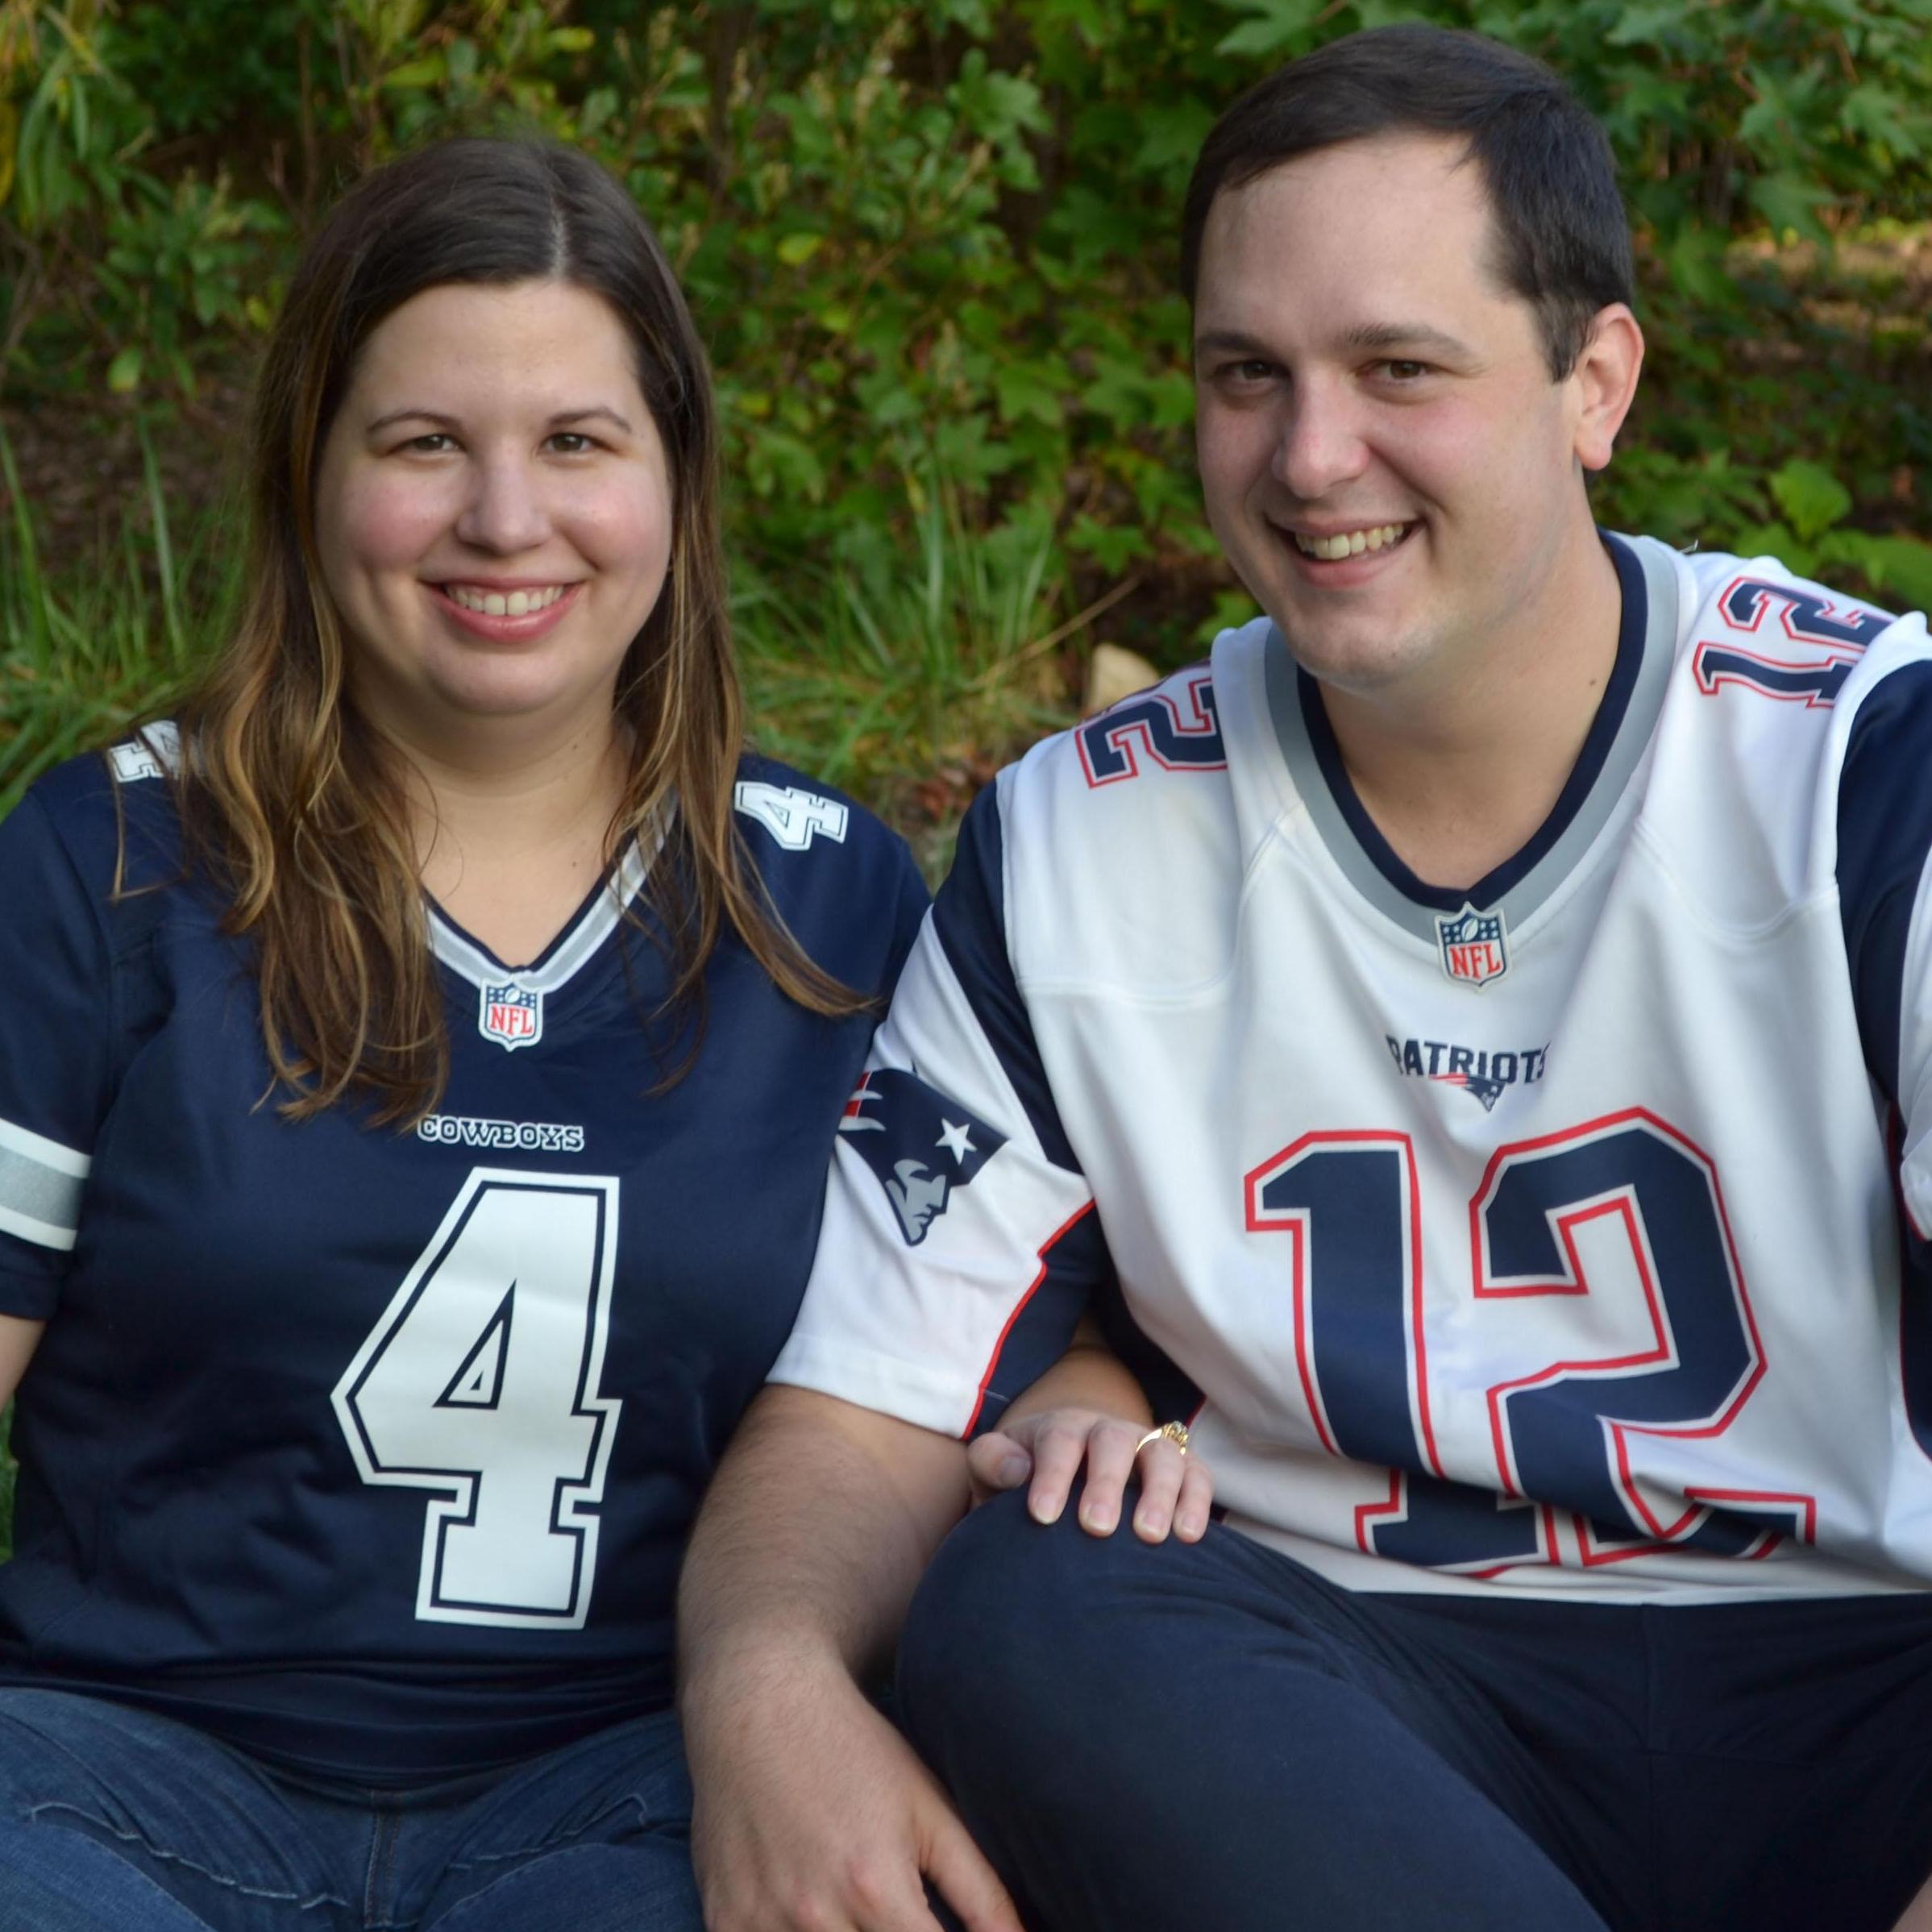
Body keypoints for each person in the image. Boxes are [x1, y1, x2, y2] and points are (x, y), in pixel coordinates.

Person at [678, 24, 1932, 1932]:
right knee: (1028, 1597)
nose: (1307, 455)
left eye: (1396, 368)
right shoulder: (1079, 840)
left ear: (1593, 382)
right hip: (1363, 1704)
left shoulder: (1864, 769)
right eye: (1243, 374)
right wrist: (759, 1686)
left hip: (1862, 1671)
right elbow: (868, 1407)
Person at [0, 138, 1185, 1932]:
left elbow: (982, 1334)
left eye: (574, 441)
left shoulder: (830, 902)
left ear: (673, 480)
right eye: (423, 443)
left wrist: (1095, 1403)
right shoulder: (106, 863)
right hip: (116, 1768)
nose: (504, 519)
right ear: (310, 471)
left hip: (641, 1780)